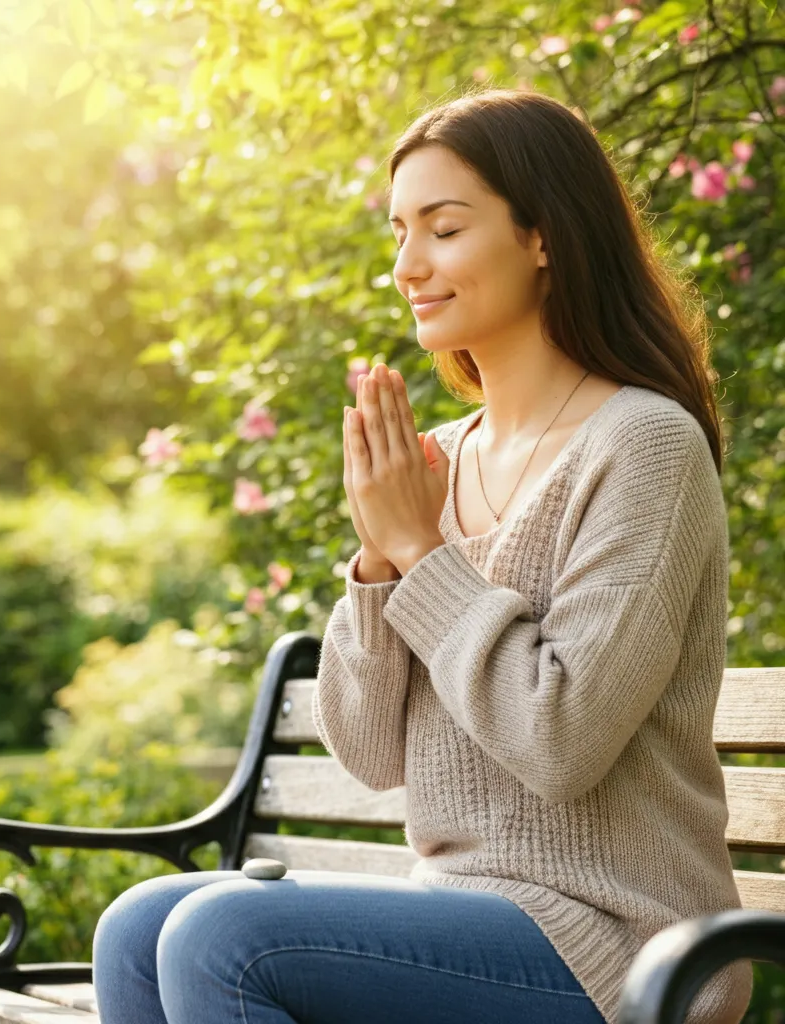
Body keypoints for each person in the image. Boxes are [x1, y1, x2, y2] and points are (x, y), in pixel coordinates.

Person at [91, 87, 753, 1024]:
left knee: (221, 938)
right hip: (462, 917)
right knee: (137, 922)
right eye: (399, 232)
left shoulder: (643, 446)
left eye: (442, 229)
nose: (408, 265)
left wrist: (418, 547)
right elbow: (365, 749)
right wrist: (376, 565)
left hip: (622, 943)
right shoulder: (438, 458)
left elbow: (561, 741)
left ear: (543, 237)